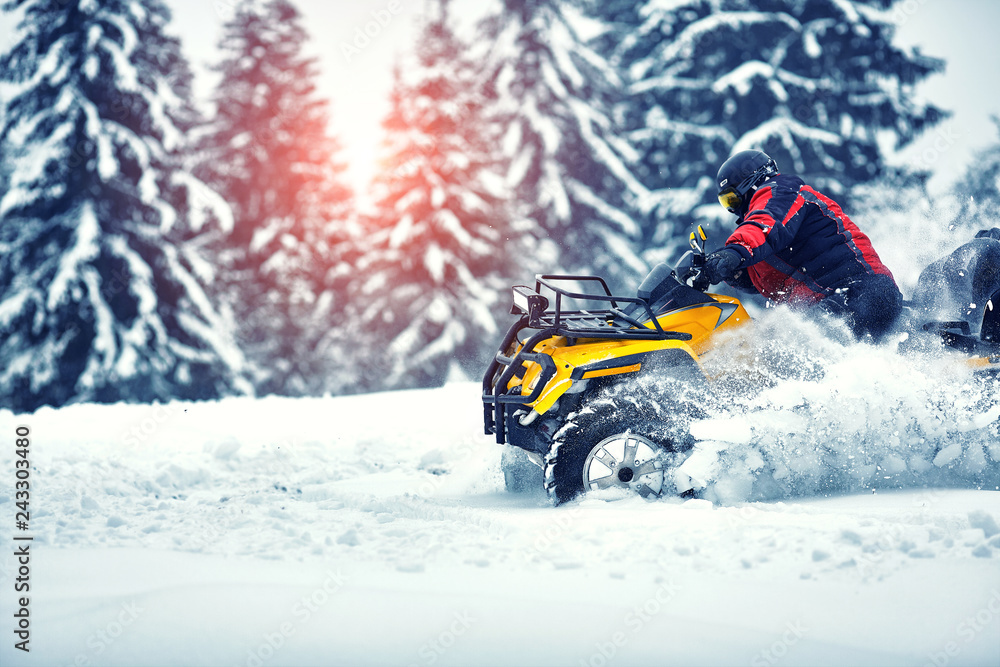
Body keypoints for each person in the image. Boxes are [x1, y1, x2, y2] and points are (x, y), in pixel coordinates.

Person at [702, 149, 903, 341]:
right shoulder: (765, 239)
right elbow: (765, 276)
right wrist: (727, 270)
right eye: (726, 202)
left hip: (860, 289)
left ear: (751, 184)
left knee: (794, 345)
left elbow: (767, 223)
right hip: (829, 302)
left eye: (732, 199)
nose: (732, 209)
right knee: (777, 343)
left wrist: (732, 253)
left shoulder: (781, 190)